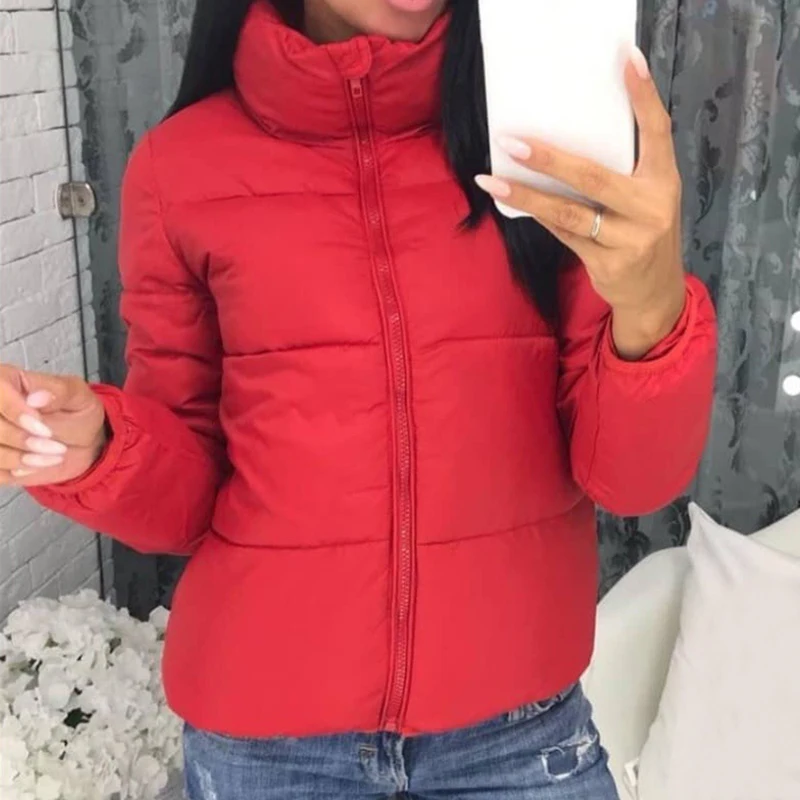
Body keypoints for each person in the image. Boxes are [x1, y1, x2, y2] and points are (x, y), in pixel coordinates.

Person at [0, 0, 717, 797]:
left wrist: (652, 306)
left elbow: (634, 480)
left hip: (516, 740)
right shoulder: (181, 169)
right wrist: (100, 450)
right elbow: (185, 495)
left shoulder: (544, 144)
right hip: (267, 749)